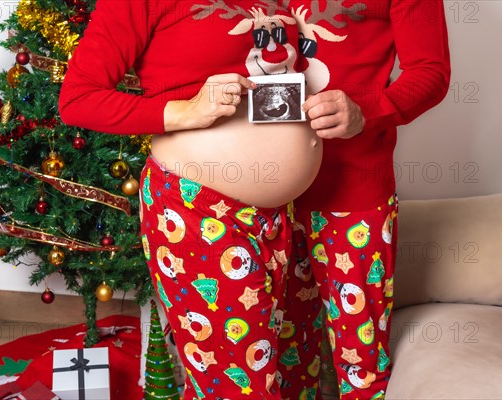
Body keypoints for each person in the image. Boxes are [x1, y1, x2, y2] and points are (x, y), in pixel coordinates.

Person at [59, 1, 450, 399]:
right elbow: (78, 98)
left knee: (300, 368)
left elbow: (429, 72)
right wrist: (182, 111)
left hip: (318, 198)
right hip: (210, 208)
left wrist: (368, 110)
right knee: (239, 380)